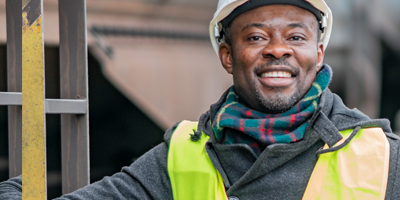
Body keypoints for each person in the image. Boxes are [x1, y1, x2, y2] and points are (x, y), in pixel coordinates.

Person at [1, 0, 400, 199]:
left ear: (318, 54)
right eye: (257, 37)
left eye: (296, 37)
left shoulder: (381, 158)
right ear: (227, 55)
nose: (278, 50)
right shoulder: (181, 155)